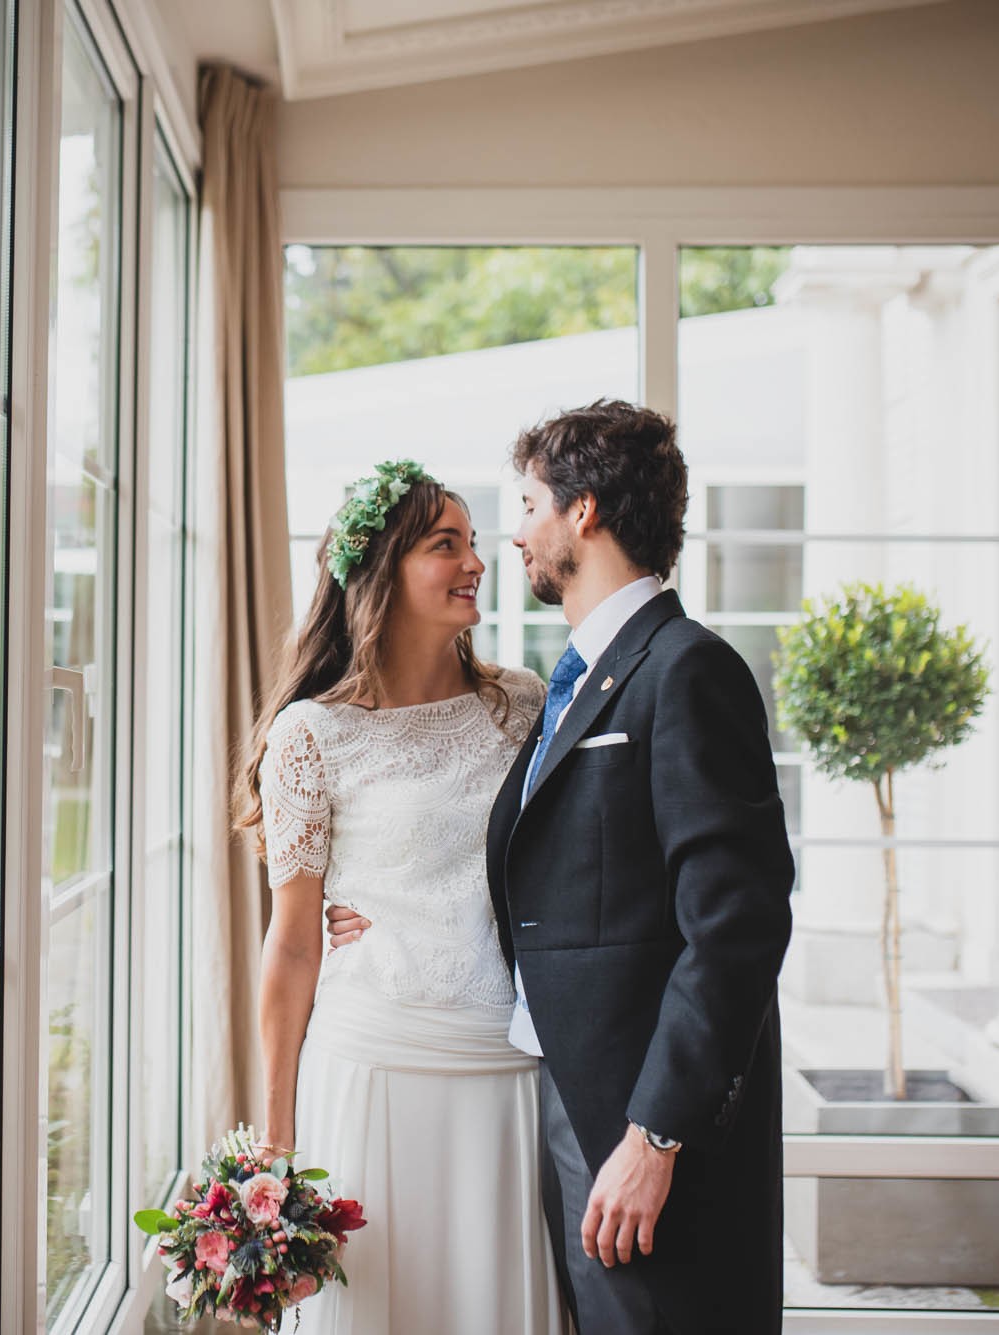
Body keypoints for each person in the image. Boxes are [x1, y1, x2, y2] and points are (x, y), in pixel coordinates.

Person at [328, 401, 795, 1333]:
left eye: (530, 504)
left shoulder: (687, 669)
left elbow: (737, 929)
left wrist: (656, 1134)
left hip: (644, 1132)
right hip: (558, 1101)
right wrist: (388, 916)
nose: (515, 535)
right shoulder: (572, 682)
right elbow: (552, 874)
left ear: (584, 511)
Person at [239, 461, 565, 1335]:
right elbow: (293, 942)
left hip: (505, 1061)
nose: (476, 562)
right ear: (384, 567)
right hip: (373, 1059)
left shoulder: (524, 706)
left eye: (474, 542)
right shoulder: (311, 733)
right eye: (446, 544)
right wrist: (276, 1139)